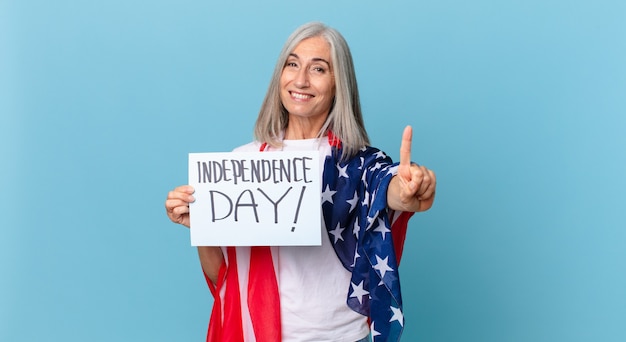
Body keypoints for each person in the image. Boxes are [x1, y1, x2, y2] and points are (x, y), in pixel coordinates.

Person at [165, 22, 436, 342]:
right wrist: (202, 225)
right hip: (261, 334)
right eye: (292, 64)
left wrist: (410, 190)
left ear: (339, 83)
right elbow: (223, 277)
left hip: (341, 337)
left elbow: (389, 188)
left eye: (318, 69)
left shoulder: (359, 162)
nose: (301, 79)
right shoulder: (243, 161)